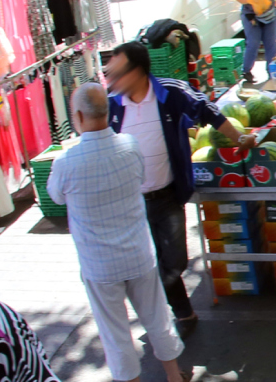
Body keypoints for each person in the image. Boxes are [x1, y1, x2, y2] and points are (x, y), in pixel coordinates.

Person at [104, 41, 254, 330]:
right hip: (131, 202)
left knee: (174, 262)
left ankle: (166, 310)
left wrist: (239, 139)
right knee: (146, 265)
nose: (113, 79)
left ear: (137, 71)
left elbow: (208, 110)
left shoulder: (169, 92)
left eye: (118, 72)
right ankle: (180, 315)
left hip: (167, 196)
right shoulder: (111, 104)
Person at [49, 83, 187, 382]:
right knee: (158, 317)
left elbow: (56, 197)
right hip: (138, 253)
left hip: (99, 264)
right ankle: (174, 377)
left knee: (116, 332)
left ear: (78, 116)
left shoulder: (65, 163)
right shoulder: (130, 146)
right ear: (108, 111)